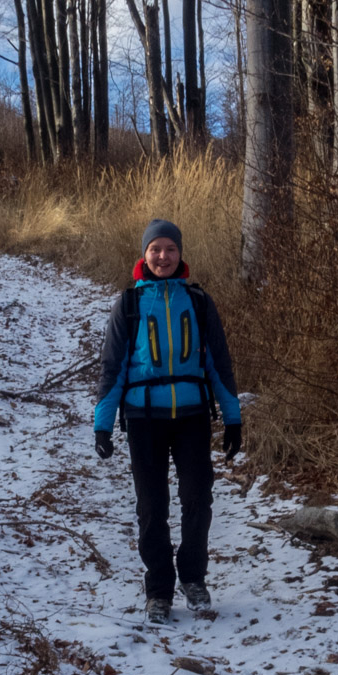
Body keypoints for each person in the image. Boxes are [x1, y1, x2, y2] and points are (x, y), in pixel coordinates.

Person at [93, 219, 243, 624]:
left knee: (198, 499)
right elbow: (113, 369)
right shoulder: (128, 304)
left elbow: (218, 364)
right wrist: (102, 425)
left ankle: (193, 577)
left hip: (193, 416)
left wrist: (233, 419)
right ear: (145, 254)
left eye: (170, 249)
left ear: (181, 254)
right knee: (151, 507)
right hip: (144, 419)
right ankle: (159, 588)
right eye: (155, 249)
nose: (163, 256)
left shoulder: (198, 301)